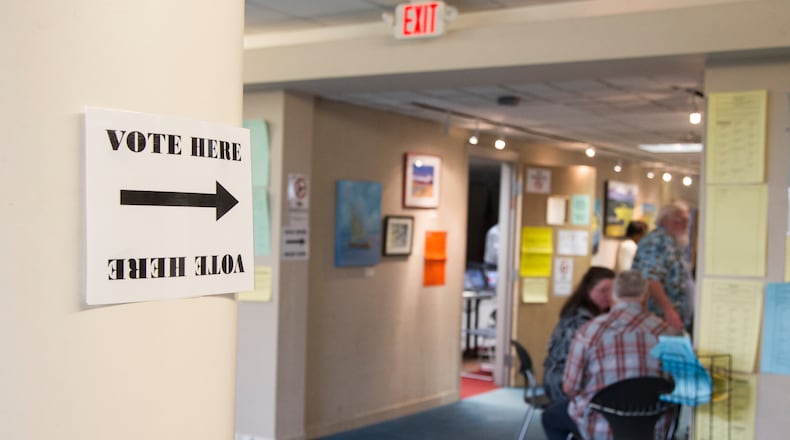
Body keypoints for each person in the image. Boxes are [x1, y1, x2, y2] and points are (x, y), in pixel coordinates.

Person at [541, 270, 678, 440]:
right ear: (646, 296)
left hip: (598, 427)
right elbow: (685, 386)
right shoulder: (669, 333)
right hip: (655, 428)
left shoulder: (588, 331)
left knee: (550, 418)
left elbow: (570, 388)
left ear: (614, 295)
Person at [542, 267, 615, 403]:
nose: (609, 296)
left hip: (563, 376)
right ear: (588, 291)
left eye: (612, 291)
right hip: (561, 381)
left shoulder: (596, 315)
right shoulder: (580, 320)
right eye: (603, 290)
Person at [631, 201, 694, 332]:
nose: (685, 226)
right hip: (658, 319)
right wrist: (668, 311)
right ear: (665, 220)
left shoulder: (673, 243)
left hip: (672, 319)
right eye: (681, 221)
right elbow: (650, 280)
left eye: (687, 221)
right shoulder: (655, 242)